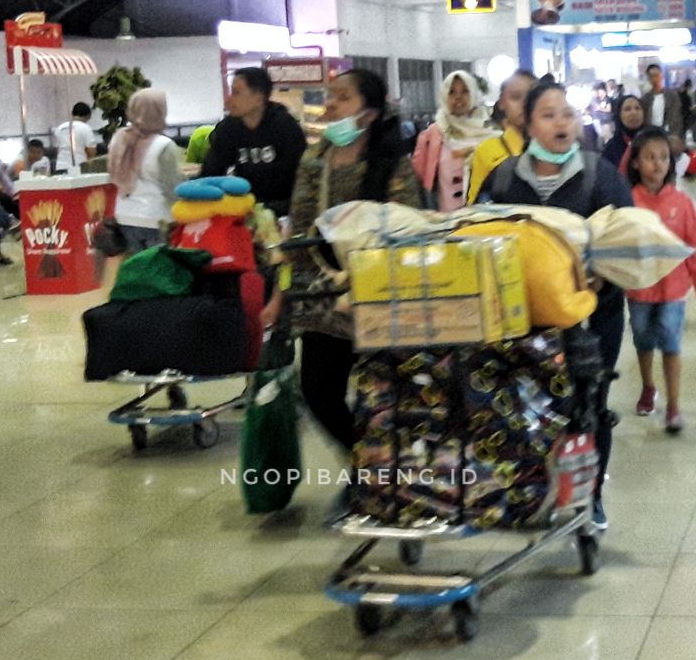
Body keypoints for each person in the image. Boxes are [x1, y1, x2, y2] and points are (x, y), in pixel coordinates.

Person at [484, 78, 635, 532]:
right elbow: (477, 236)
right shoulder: (504, 178)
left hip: (594, 318)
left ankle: (589, 497)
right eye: (548, 115)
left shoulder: (598, 174)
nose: (561, 123)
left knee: (589, 403)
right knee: (528, 406)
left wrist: (597, 273)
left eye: (567, 113)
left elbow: (627, 237)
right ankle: (530, 492)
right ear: (527, 124)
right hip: (524, 323)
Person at [281, 69, 423, 453]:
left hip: (376, 298)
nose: (331, 104)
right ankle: (364, 461)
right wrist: (283, 293)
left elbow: (406, 229)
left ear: (370, 113)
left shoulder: (392, 164)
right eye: (330, 95)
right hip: (321, 298)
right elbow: (299, 225)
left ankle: (389, 471)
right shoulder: (315, 157)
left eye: (343, 97)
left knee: (383, 397)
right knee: (317, 391)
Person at [625, 128, 696, 434]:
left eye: (664, 157)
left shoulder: (681, 203)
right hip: (639, 288)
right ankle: (648, 386)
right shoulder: (627, 203)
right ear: (636, 162)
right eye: (650, 157)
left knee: (670, 339)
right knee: (642, 336)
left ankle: (674, 405)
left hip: (673, 289)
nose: (658, 164)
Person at [200, 67, 307, 216]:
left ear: (259, 97)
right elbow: (210, 173)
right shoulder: (228, 129)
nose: (229, 100)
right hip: (245, 209)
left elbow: (302, 177)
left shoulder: (286, 128)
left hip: (285, 211)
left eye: (236, 93)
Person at [108, 88, 182, 252]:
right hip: (157, 219)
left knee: (138, 271)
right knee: (159, 272)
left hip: (125, 217)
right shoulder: (163, 145)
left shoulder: (118, 138)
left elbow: (112, 174)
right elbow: (172, 188)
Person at [411, 71, 493, 213]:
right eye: (452, 92)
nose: (458, 97)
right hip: (445, 218)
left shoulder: (489, 129)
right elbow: (417, 175)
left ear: (473, 93)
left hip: (484, 216)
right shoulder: (434, 133)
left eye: (465, 91)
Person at [467, 70, 534, 203]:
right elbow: (475, 207)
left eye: (531, 97)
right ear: (502, 103)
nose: (524, 104)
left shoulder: (555, 147)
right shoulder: (487, 151)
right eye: (516, 97)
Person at [640, 64, 689, 142]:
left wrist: (677, 136)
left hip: (670, 135)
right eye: (651, 76)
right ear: (648, 78)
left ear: (662, 76)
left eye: (657, 75)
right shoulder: (645, 99)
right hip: (650, 136)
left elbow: (677, 117)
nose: (654, 79)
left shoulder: (672, 96)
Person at [601, 93, 647, 172]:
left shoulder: (654, 139)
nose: (634, 112)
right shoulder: (611, 148)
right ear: (619, 115)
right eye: (627, 109)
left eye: (637, 108)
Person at [53, 102, 99, 171]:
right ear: (88, 116)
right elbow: (91, 151)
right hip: (79, 165)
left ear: (72, 113)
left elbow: (57, 149)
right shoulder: (86, 128)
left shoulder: (60, 128)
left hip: (60, 166)